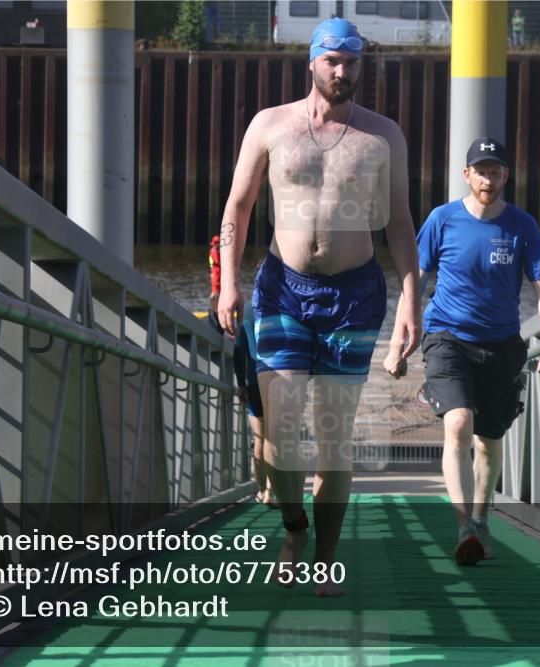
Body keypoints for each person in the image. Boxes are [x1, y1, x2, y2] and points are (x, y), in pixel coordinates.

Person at [217, 18, 421, 596]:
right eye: (333, 60)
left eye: (352, 62)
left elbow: (401, 222)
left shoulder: (382, 136)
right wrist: (229, 284)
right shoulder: (271, 125)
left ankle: (326, 560)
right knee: (279, 436)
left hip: (354, 298)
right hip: (282, 289)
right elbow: (237, 207)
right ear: (312, 62)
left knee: (334, 438)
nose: (342, 71)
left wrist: (412, 297)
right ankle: (294, 527)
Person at [385, 138, 540, 565]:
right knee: (458, 424)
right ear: (466, 175)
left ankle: (482, 521)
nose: (488, 178)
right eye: (480, 170)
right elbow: (416, 282)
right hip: (448, 337)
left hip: (502, 345)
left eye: (496, 170)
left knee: (489, 440)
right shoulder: (442, 220)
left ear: (506, 176)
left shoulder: (522, 226)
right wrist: (398, 343)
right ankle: (463, 524)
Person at [233, 307, 275, 506]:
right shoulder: (284, 304)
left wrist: (241, 382)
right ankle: (271, 492)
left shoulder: (248, 311)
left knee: (259, 439)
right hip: (280, 381)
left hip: (254, 381)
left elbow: (239, 349)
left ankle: (260, 490)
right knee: (275, 439)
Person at [207, 235, 225, 335]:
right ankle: (215, 309)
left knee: (218, 290)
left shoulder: (214, 250)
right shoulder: (214, 251)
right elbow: (218, 261)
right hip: (216, 271)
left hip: (217, 271)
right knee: (216, 291)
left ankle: (217, 307)